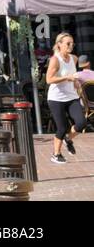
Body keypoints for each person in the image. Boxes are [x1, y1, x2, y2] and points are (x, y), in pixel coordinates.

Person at [45, 32, 86, 164]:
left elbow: (73, 75)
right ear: (59, 45)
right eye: (68, 43)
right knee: (61, 128)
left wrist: (76, 82)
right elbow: (49, 79)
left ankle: (68, 139)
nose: (71, 46)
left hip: (72, 97)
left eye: (72, 43)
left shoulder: (74, 58)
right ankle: (56, 154)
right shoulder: (55, 60)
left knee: (81, 123)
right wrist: (66, 78)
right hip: (56, 99)